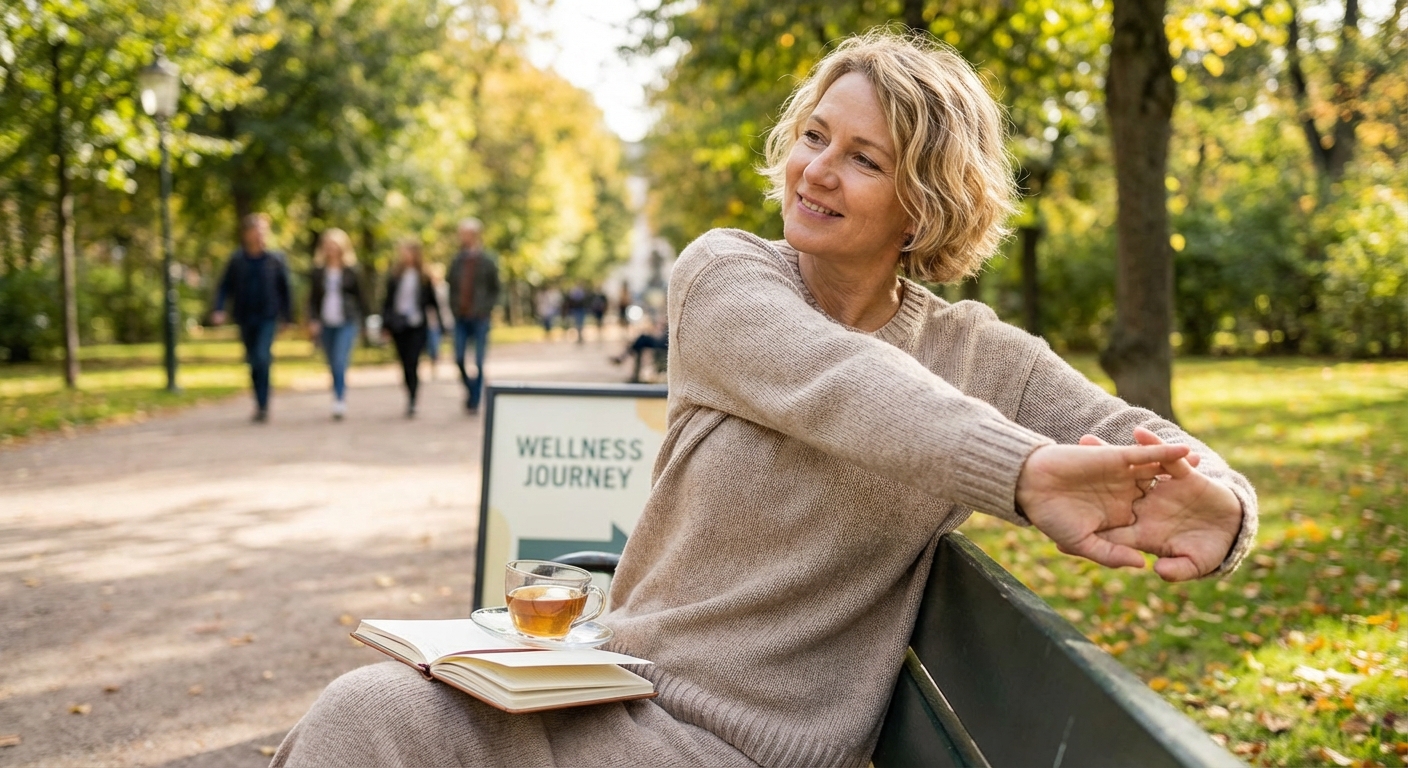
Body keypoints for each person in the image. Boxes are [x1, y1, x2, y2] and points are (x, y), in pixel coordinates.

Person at [272, 30, 1257, 767]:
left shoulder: (974, 353)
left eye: (862, 158)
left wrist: (1223, 502)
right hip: (613, 703)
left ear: (928, 200)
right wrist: (1023, 471)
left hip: (736, 755)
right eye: (815, 137)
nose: (814, 171)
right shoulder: (729, 279)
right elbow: (837, 384)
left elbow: (1144, 437)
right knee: (369, 712)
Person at [211, 213, 291, 423]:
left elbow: (285, 290)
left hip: (268, 316)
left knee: (262, 357)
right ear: (246, 234)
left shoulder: (275, 259)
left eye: (264, 231)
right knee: (253, 361)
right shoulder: (237, 259)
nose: (260, 235)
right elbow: (224, 286)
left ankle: (264, 404)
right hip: (245, 316)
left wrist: (287, 317)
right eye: (256, 231)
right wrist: (218, 309)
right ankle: (259, 401)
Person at [307, 228, 366, 420]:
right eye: (328, 246)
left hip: (347, 321)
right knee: (332, 363)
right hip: (326, 322)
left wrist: (366, 323)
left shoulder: (352, 270)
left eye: (334, 245)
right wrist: (312, 320)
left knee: (340, 360)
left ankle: (340, 399)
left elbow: (362, 298)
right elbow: (312, 300)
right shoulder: (318, 272)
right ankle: (336, 393)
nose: (331, 249)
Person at [381, 239, 441, 418]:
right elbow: (388, 302)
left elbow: (433, 303)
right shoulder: (395, 275)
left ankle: (414, 397)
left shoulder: (423, 276)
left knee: (413, 360)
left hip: (417, 325)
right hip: (399, 325)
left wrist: (441, 324)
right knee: (404, 362)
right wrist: (386, 325)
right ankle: (409, 391)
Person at [447, 218, 501, 414]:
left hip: (480, 317)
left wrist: (486, 308)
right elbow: (451, 286)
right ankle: (471, 390)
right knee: (459, 358)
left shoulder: (487, 260)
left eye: (466, 233)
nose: (462, 237)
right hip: (461, 316)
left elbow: (496, 289)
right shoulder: (457, 260)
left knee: (478, 361)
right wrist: (454, 308)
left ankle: (475, 398)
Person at [424, 263, 451, 380]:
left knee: (438, 343)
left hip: (443, 320)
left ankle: (438, 362)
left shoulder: (445, 288)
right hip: (430, 321)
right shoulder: (427, 288)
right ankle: (434, 363)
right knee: (432, 345)